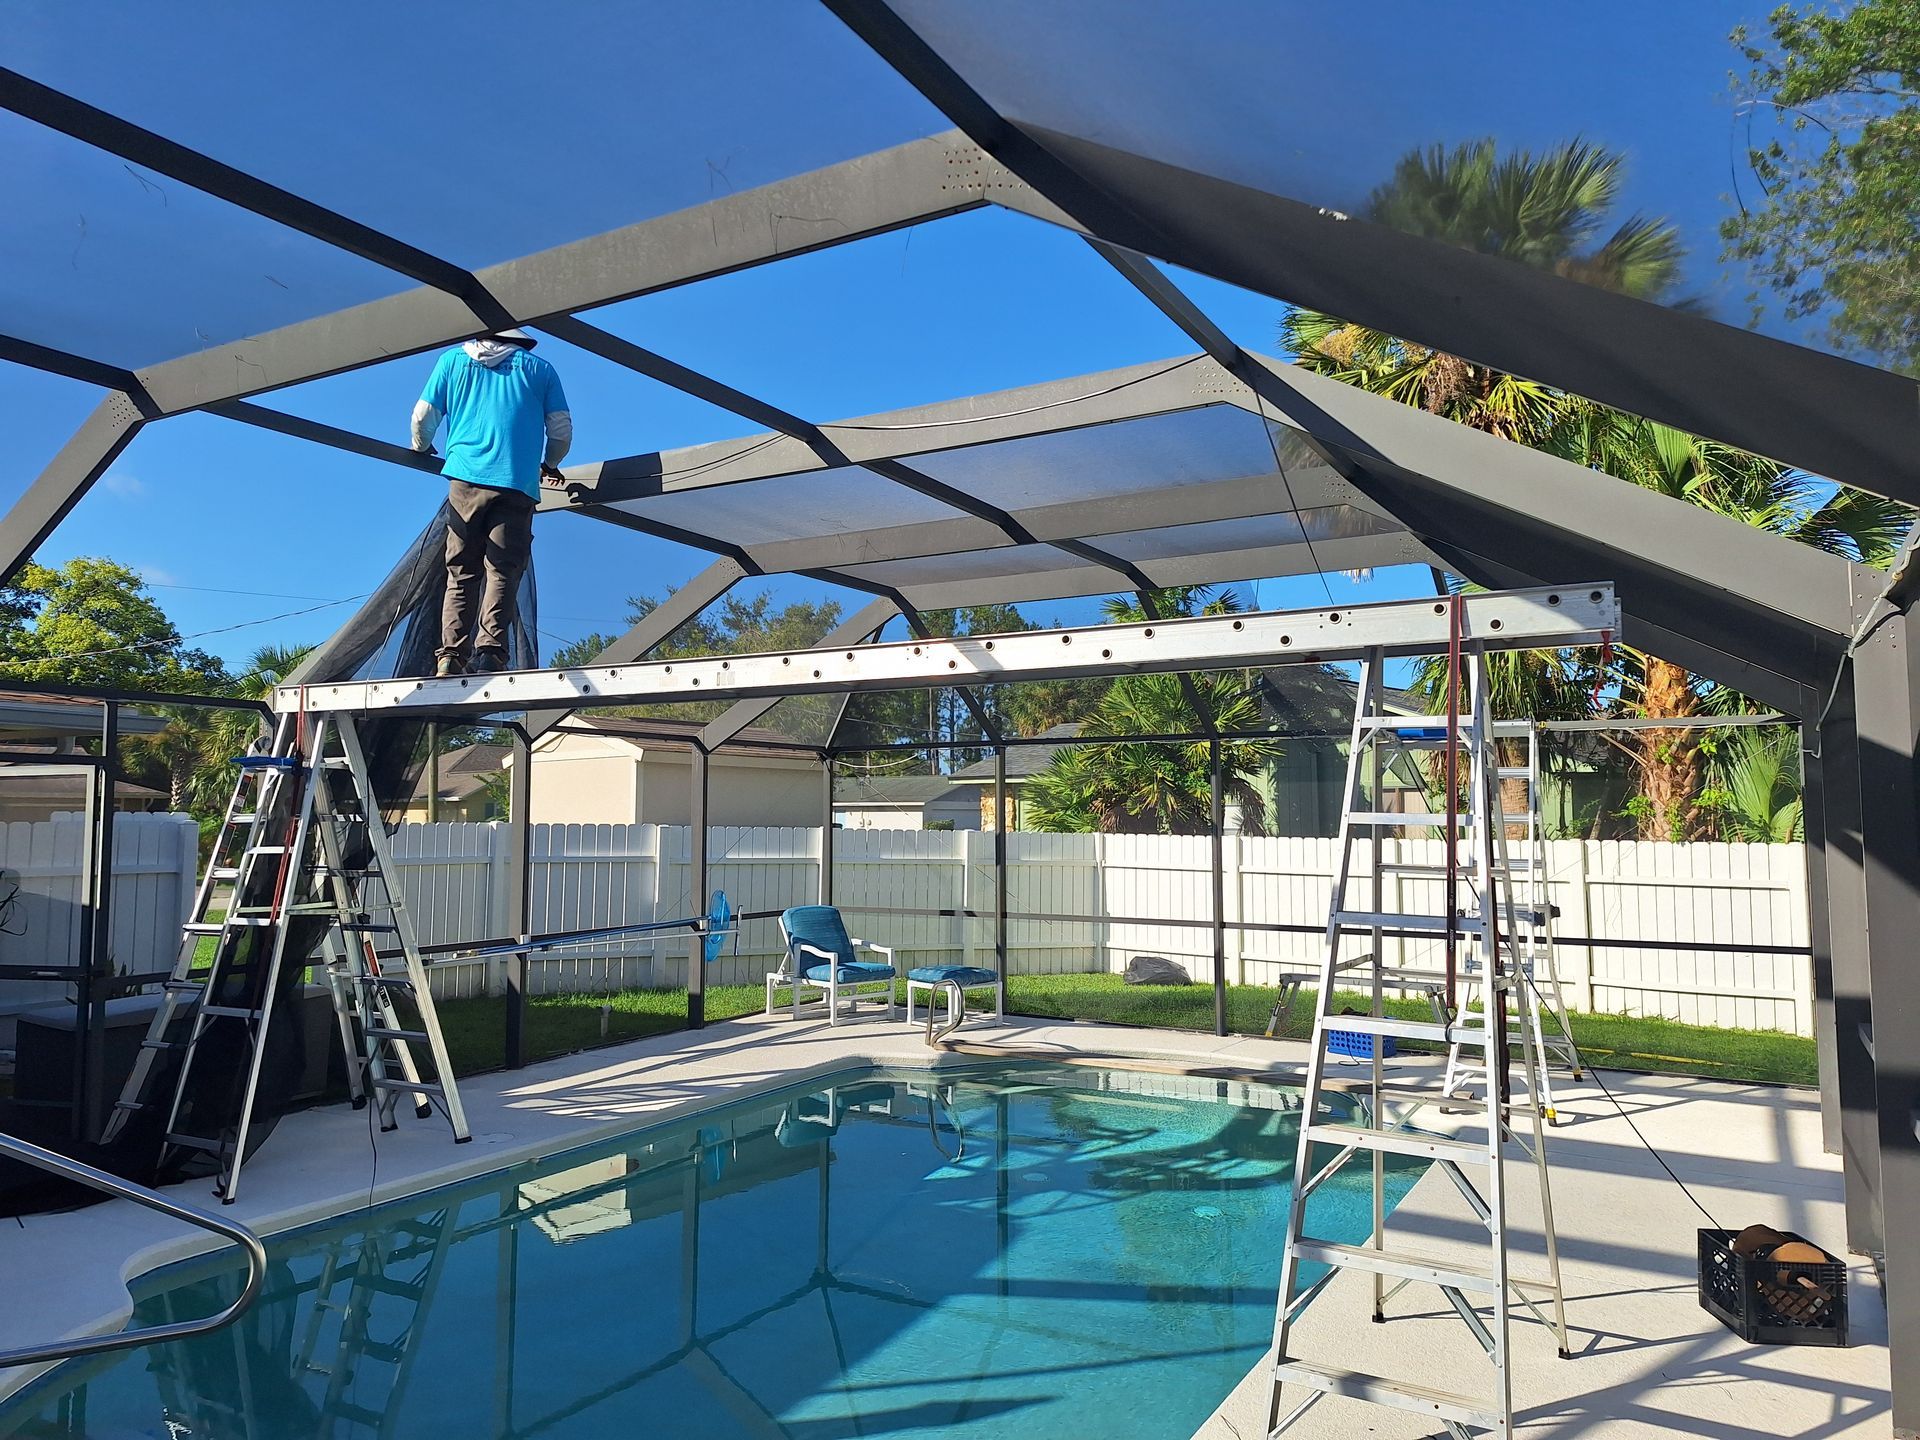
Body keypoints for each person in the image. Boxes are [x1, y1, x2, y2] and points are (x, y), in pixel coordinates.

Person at [410, 329, 571, 677]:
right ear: (520, 341)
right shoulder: (540, 369)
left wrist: (421, 446)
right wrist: (551, 464)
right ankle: (490, 652)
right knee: (503, 569)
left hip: (465, 480)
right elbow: (560, 430)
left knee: (461, 569)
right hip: (516, 482)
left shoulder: (452, 361)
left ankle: (451, 655)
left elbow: (423, 416)